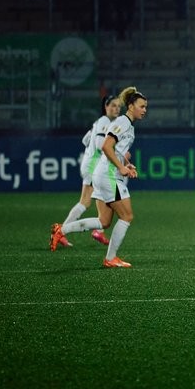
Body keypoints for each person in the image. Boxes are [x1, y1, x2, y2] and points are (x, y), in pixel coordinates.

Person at [50, 87, 148, 267]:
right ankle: (110, 259)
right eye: (141, 106)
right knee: (127, 216)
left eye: (145, 107)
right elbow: (106, 146)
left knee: (104, 221)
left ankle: (61, 230)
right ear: (131, 106)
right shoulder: (123, 122)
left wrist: (126, 165)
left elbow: (115, 150)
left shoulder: (127, 126)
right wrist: (121, 167)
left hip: (104, 173)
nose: (144, 110)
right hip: (108, 174)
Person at [53, 94, 123, 248]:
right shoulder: (105, 122)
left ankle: (96, 231)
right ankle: (62, 231)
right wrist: (117, 151)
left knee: (100, 198)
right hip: (93, 166)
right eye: (113, 105)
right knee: (86, 201)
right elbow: (99, 144)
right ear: (106, 107)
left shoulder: (99, 122)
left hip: (90, 164)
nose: (116, 108)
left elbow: (85, 140)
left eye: (118, 106)